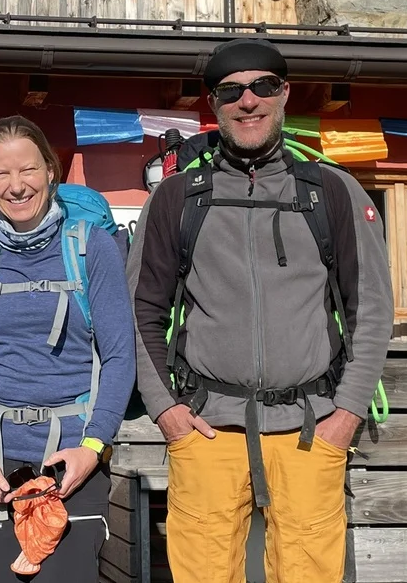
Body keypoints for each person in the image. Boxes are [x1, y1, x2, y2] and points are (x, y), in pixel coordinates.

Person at [127, 37, 392, 583]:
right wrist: (167, 414)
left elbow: (372, 310)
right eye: (231, 91)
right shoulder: (176, 199)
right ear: (214, 104)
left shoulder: (334, 193)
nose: (248, 101)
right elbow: (139, 310)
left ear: (284, 93)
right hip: (205, 430)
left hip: (311, 427)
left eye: (263, 86)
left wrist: (348, 415)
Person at [0, 116, 137, 581]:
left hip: (73, 464)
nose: (16, 186)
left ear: (50, 171)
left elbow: (121, 357)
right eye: (0, 173)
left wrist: (93, 446)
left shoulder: (92, 249)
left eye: (28, 170)